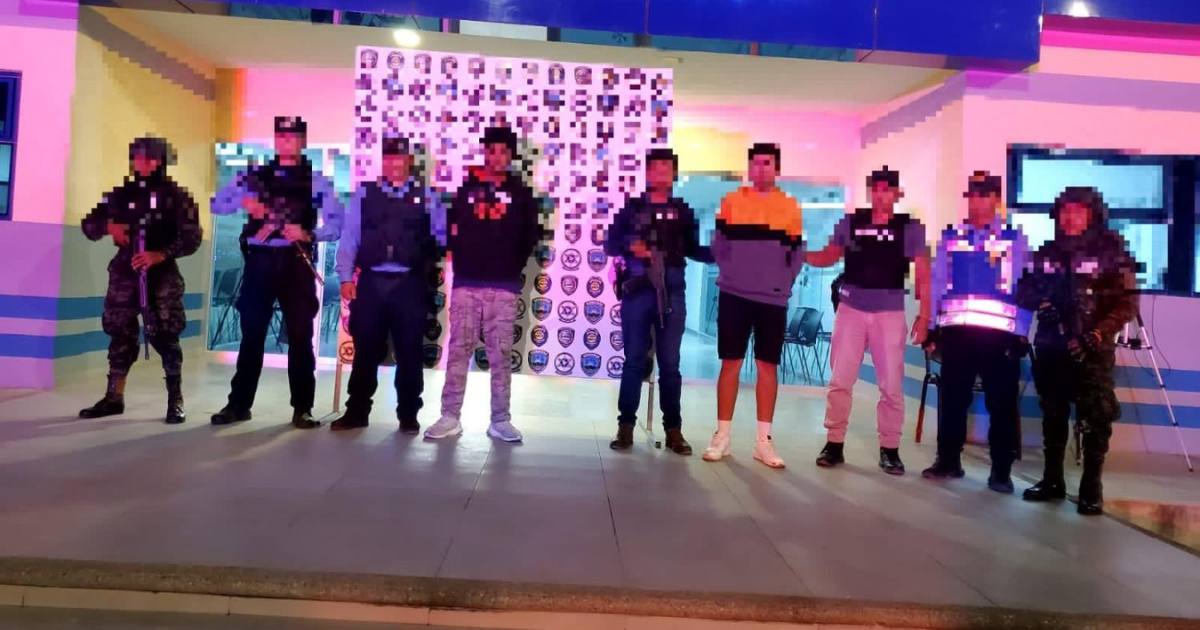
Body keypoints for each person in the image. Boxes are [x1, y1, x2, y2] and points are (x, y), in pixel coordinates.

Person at [210, 116, 344, 429]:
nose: (286, 141)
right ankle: (238, 405)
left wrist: (308, 233)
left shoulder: (315, 180)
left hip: (296, 262)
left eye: (292, 136)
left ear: (302, 141)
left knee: (300, 336)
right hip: (260, 261)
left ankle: (303, 408)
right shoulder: (255, 175)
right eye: (281, 136)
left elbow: (337, 224)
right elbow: (218, 204)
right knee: (252, 335)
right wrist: (248, 202)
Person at [1016, 187, 1137, 515]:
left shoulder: (1112, 252)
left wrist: (1097, 333)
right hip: (1051, 347)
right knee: (1053, 414)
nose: (1070, 218)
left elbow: (1127, 303)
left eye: (1078, 211)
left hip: (1092, 350)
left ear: (1092, 214)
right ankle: (1052, 480)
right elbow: (1023, 289)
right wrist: (1041, 304)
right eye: (1065, 211)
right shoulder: (1048, 251)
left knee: (1096, 417)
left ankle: (1091, 487)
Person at [806, 167, 931, 475]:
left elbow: (923, 273)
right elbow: (829, 255)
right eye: (876, 188)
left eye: (887, 189)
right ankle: (834, 443)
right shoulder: (852, 222)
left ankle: (890, 449)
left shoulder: (910, 227)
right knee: (840, 380)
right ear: (870, 192)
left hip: (889, 314)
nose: (881, 194)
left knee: (891, 386)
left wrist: (925, 315)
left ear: (897, 193)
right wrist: (798, 253)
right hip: (851, 310)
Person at [423, 126, 545, 443]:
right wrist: (462, 258)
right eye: (492, 150)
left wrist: (511, 265)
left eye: (503, 151)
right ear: (484, 152)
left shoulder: (522, 193)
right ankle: (450, 416)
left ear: (511, 155)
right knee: (458, 351)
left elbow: (530, 236)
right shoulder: (466, 189)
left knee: (501, 354)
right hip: (466, 282)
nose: (497, 157)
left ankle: (500, 419)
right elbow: (450, 229)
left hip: (503, 285)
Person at [79, 137, 203, 425]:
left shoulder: (176, 196)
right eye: (138, 157)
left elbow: (192, 237)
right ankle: (114, 397)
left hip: (162, 274)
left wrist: (160, 254)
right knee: (120, 333)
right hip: (126, 270)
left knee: (166, 336)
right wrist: (110, 226)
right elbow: (89, 225)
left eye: (149, 157)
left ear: (161, 160)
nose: (143, 163)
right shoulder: (122, 193)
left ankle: (175, 400)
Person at [922, 171, 1032, 493]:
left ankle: (1001, 471)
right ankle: (948, 461)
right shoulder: (953, 236)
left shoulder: (1013, 239)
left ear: (996, 199)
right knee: (953, 400)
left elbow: (1025, 289)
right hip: (958, 334)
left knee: (1002, 404)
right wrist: (932, 327)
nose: (978, 201)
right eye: (973, 195)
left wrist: (1022, 333)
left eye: (985, 195)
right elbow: (938, 282)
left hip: (1001, 337)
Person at [331, 135, 445, 434]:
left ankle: (408, 414)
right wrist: (345, 277)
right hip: (371, 282)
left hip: (410, 284)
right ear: (382, 161)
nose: (394, 163)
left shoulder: (427, 196)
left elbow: (442, 235)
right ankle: (357, 411)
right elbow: (350, 236)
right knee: (365, 350)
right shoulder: (365, 194)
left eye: (399, 158)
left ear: (409, 161)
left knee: (409, 351)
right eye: (388, 158)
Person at [702, 143, 804, 468]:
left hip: (772, 299)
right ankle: (722, 436)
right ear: (750, 168)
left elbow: (797, 254)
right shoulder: (732, 202)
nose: (761, 169)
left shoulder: (789, 207)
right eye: (756, 163)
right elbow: (719, 245)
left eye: (767, 163)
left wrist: (782, 282)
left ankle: (763, 442)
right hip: (734, 294)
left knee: (767, 366)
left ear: (776, 169)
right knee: (730, 363)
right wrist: (733, 272)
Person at [606, 148, 712, 455]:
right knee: (633, 361)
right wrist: (633, 246)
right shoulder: (632, 208)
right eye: (656, 168)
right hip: (638, 292)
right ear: (647, 172)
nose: (661, 173)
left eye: (667, 168)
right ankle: (626, 426)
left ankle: (673, 430)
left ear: (674, 174)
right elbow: (610, 244)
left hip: (672, 291)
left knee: (670, 364)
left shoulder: (682, 210)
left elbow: (694, 248)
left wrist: (724, 252)